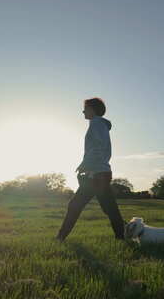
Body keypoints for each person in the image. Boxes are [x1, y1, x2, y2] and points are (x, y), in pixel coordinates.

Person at [55, 97, 125, 241]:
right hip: (101, 172)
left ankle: (60, 238)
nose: (83, 112)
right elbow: (101, 150)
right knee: (110, 209)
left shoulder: (96, 124)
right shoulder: (101, 125)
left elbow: (97, 148)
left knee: (75, 205)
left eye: (85, 109)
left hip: (96, 174)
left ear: (92, 110)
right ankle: (123, 236)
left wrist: (85, 165)